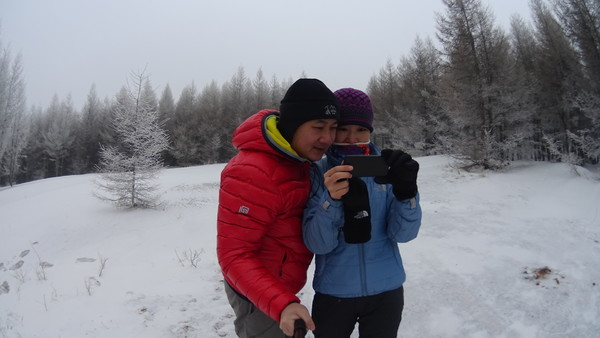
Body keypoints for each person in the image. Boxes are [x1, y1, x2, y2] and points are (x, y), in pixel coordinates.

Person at [217, 78, 340, 337]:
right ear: (292, 125)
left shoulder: (298, 159)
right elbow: (234, 255)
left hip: (279, 287)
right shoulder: (251, 172)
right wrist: (281, 304)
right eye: (318, 127)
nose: (327, 138)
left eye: (332, 127)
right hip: (258, 295)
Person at [302, 88, 422, 338]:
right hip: (333, 293)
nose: (350, 138)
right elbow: (318, 243)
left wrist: (407, 193)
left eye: (360, 130)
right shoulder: (317, 173)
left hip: (386, 292)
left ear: (370, 132)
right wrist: (330, 199)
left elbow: (403, 234)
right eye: (343, 129)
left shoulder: (387, 170)